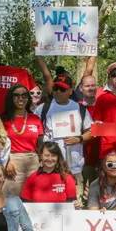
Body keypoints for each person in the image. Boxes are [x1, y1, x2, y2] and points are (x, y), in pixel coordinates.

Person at [40, 76, 92, 205]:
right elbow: (37, 133)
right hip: (50, 169)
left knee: (75, 205)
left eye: (62, 89)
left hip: (74, 169)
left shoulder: (80, 109)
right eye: (56, 88)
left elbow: (91, 132)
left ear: (70, 91)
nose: (58, 92)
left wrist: (78, 138)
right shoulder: (43, 108)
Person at [2, 83, 43, 197]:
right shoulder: (4, 119)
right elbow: (0, 144)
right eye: (16, 95)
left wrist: (41, 161)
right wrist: (7, 162)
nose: (21, 98)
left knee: (34, 196)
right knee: (11, 198)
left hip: (33, 160)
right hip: (13, 161)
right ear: (11, 98)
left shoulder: (35, 118)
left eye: (24, 95)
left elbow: (40, 143)